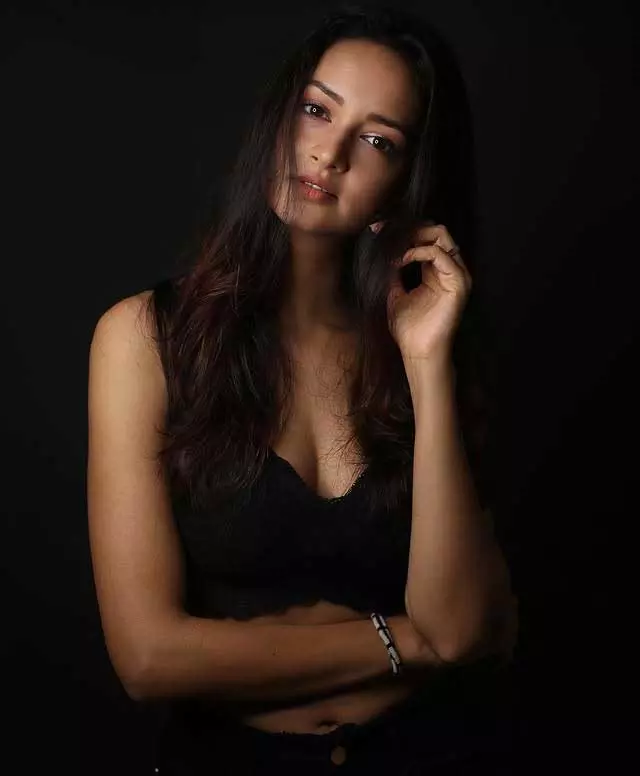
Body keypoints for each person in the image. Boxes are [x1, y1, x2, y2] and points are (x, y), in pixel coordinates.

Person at [87, 4, 518, 773]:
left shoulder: (431, 341)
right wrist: (405, 641)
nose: (329, 153)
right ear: (280, 115)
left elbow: (458, 621)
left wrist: (427, 365)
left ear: (407, 181)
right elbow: (148, 658)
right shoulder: (145, 339)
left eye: (378, 141)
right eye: (318, 110)